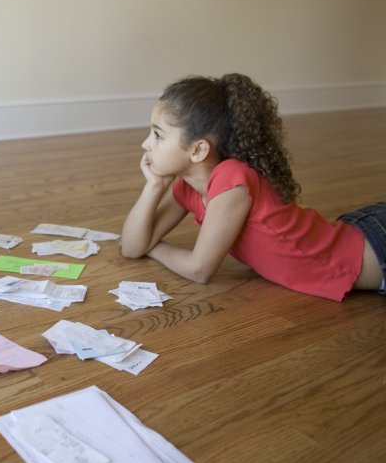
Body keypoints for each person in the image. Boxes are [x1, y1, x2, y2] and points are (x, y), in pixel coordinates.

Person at [121, 73, 385, 301]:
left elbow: (199, 270)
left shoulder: (231, 179)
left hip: (376, 248)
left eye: (157, 135)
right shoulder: (186, 188)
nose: (146, 143)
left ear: (198, 149)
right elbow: (131, 249)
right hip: (357, 232)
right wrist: (154, 187)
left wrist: (152, 246)